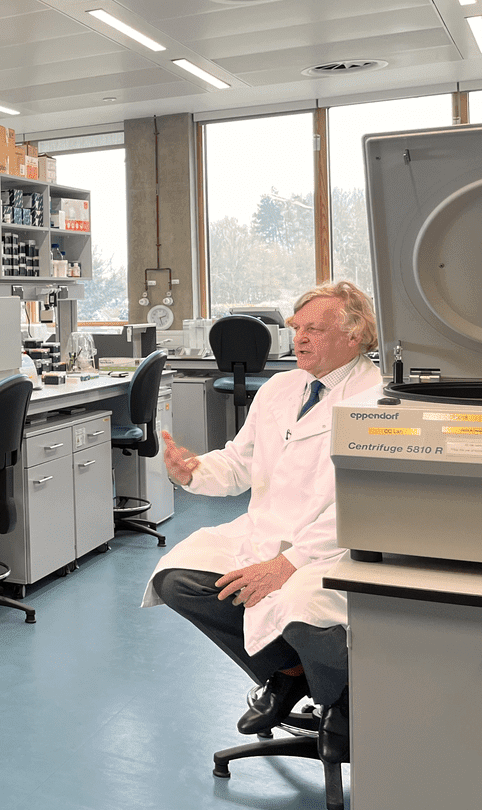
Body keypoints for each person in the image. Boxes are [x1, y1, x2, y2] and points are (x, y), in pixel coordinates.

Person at [142, 281, 382, 764]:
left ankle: (345, 704)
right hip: (266, 532)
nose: (300, 339)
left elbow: (365, 502)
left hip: (334, 548)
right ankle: (288, 674)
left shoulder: (377, 400)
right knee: (177, 579)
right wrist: (194, 471)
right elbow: (240, 461)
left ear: (354, 335)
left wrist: (288, 564)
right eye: (296, 328)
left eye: (315, 330)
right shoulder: (279, 388)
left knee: (302, 607)